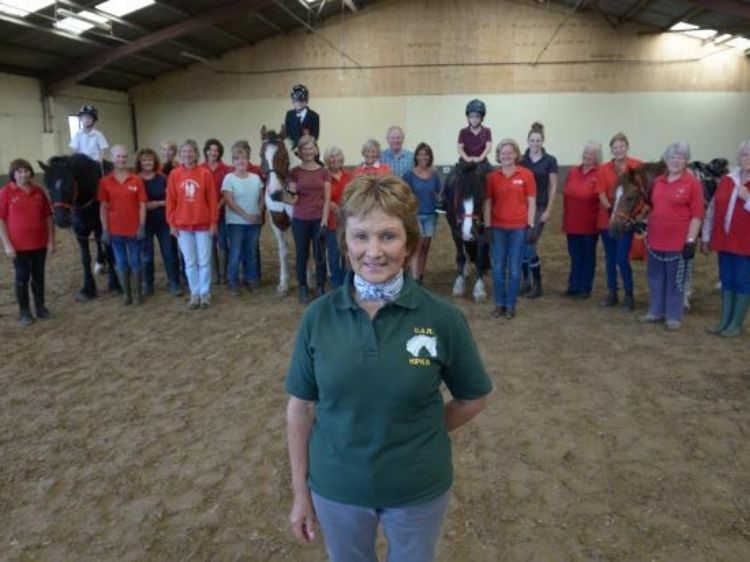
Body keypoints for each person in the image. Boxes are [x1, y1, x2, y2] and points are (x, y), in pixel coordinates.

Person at [285, 174, 492, 562]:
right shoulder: (317, 318)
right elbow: (301, 407)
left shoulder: (443, 318)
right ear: (345, 243)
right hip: (337, 488)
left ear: (410, 242)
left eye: (388, 236)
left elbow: (473, 397)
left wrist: (419, 428)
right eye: (361, 236)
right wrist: (301, 494)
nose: (374, 251)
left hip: (417, 490)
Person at [638, 142, 704, 330]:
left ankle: (674, 315)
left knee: (676, 279)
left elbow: (697, 215)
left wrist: (690, 241)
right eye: (672, 157)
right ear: (665, 160)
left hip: (678, 242)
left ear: (686, 161)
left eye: (680, 157)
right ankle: (655, 311)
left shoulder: (692, 183)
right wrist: (643, 224)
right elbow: (653, 208)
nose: (676, 161)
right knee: (655, 276)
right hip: (655, 239)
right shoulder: (658, 181)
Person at [701, 139, 750, 337]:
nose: (748, 158)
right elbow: (712, 209)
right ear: (738, 158)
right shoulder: (728, 180)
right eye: (745, 154)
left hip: (746, 242)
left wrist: (748, 199)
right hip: (725, 241)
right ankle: (724, 321)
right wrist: (706, 235)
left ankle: (736, 324)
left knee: (743, 280)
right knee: (726, 279)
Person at [484, 139, 537, 319]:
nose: (506, 156)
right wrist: (487, 225)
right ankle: (499, 304)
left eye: (510, 153)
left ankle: (510, 305)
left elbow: (531, 201)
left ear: (516, 154)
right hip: (498, 228)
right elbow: (488, 203)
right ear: (498, 156)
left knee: (514, 269)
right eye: (503, 153)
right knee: (498, 268)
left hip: (518, 229)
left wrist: (530, 225)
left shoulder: (526, 175)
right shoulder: (492, 177)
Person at [0, 159, 55, 326]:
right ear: (13, 174)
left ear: (31, 173)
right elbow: (1, 220)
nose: (24, 175)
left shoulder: (39, 192)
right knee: (22, 277)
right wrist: (7, 244)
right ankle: (24, 311)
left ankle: (40, 307)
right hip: (18, 246)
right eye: (19, 172)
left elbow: (48, 217)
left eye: (26, 171)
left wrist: (51, 241)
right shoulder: (6, 193)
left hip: (39, 244)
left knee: (39, 277)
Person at [166, 139, 219, 309]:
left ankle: (205, 293)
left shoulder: (204, 174)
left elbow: (212, 200)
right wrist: (172, 223)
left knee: (204, 261)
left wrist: (213, 222)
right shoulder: (175, 175)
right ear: (180, 154)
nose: (187, 154)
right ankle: (194, 293)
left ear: (196, 154)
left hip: (203, 224)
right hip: (183, 225)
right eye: (184, 151)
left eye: (190, 151)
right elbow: (171, 201)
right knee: (190, 262)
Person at [596, 132, 643, 310]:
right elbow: (600, 192)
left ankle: (629, 294)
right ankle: (612, 292)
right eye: (615, 147)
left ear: (627, 147)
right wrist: (610, 210)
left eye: (621, 146)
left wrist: (631, 215)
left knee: (622, 258)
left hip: (627, 219)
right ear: (611, 150)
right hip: (608, 219)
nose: (618, 150)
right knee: (610, 258)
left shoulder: (637, 166)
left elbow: (642, 193)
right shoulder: (604, 169)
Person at [98, 145, 147, 306]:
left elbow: (142, 204)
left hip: (134, 229)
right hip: (115, 230)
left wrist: (141, 225)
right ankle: (127, 294)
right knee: (121, 262)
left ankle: (138, 293)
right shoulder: (105, 182)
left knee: (136, 261)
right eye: (118, 156)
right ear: (112, 158)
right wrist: (105, 229)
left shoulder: (136, 180)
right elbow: (103, 207)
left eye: (124, 157)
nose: (121, 160)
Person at [286, 135, 331, 304]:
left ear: (316, 150)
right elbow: (293, 199)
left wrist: (325, 220)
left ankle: (320, 286)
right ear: (300, 151)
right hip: (300, 220)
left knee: (319, 254)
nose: (308, 152)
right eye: (304, 149)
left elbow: (327, 199)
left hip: (319, 219)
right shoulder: (294, 172)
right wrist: (282, 197)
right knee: (301, 254)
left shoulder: (323, 172)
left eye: (311, 148)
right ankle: (303, 287)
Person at [520, 122, 558, 299]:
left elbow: (553, 186)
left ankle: (537, 283)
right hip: (522, 208)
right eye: (532, 140)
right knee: (522, 246)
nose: (535, 143)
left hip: (540, 207)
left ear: (543, 141)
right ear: (527, 142)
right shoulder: (522, 160)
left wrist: (548, 210)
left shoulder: (550, 161)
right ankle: (526, 281)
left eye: (538, 140)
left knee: (530, 243)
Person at [136, 148, 182, 297]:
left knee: (169, 253)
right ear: (140, 162)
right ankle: (148, 284)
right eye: (144, 160)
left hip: (164, 221)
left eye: (150, 160)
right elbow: (134, 202)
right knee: (147, 255)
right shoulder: (136, 179)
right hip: (145, 223)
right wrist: (147, 205)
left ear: (154, 161)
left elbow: (171, 198)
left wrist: (157, 203)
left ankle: (174, 283)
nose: (147, 163)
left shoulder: (162, 178)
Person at [222, 140, 265, 295]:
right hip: (236, 223)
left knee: (251, 251)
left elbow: (262, 197)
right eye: (237, 158)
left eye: (244, 158)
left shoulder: (255, 178)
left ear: (248, 160)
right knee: (236, 252)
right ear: (233, 161)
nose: (241, 161)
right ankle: (233, 281)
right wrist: (246, 215)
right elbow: (229, 201)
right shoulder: (229, 178)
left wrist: (259, 213)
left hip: (254, 222)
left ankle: (251, 279)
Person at [562, 142, 602, 299]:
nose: (587, 156)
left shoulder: (599, 173)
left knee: (588, 256)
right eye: (586, 152)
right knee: (574, 256)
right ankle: (573, 285)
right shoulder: (572, 172)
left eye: (592, 153)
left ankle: (585, 287)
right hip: (572, 222)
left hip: (589, 224)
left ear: (597, 157)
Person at [402, 142, 441, 285]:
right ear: (416, 156)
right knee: (418, 246)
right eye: (420, 154)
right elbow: (405, 196)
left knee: (425, 247)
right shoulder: (409, 175)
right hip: (415, 215)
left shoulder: (434, 175)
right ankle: (415, 278)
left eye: (426, 154)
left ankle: (421, 275)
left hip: (431, 215)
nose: (423, 157)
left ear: (430, 157)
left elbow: (438, 195)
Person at [203, 138, 232, 285]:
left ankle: (223, 274)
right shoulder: (201, 169)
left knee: (223, 243)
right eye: (211, 150)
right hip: (205, 213)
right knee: (210, 243)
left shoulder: (225, 169)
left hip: (221, 211)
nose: (214, 152)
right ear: (206, 151)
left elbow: (227, 190)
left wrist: (219, 204)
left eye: (216, 150)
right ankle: (214, 274)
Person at [323, 146, 352, 288]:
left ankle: (347, 282)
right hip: (332, 221)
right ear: (328, 160)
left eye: (338, 156)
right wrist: (334, 207)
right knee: (334, 254)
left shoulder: (348, 176)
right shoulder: (325, 177)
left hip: (348, 222)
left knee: (348, 253)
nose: (336, 160)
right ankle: (336, 283)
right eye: (332, 157)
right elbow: (322, 197)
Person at [457, 99, 492, 174]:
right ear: (468, 118)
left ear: (482, 118)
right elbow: (460, 148)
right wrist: (467, 158)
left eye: (477, 116)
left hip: (481, 161)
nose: (474, 119)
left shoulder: (486, 131)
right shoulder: (463, 132)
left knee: (491, 175)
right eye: (471, 116)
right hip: (466, 161)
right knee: (454, 179)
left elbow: (488, 147)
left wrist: (480, 158)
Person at [285, 84, 321, 152]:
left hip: (309, 148)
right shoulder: (289, 115)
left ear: (306, 101)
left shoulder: (314, 116)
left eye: (301, 101)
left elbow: (315, 136)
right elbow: (288, 134)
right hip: (293, 148)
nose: (298, 103)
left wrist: (305, 146)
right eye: (296, 101)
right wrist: (293, 147)